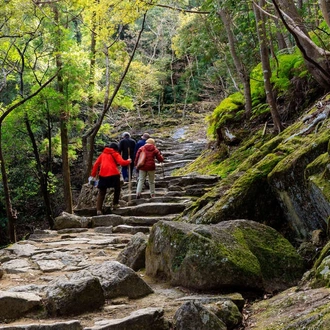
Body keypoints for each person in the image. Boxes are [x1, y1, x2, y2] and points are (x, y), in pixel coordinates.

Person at [90, 143, 131, 215]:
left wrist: (93, 175)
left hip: (103, 175)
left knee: (102, 192)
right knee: (117, 188)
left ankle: (98, 209)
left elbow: (96, 164)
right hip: (114, 174)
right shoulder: (115, 153)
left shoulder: (102, 154)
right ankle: (115, 204)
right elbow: (122, 162)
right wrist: (128, 161)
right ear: (116, 149)